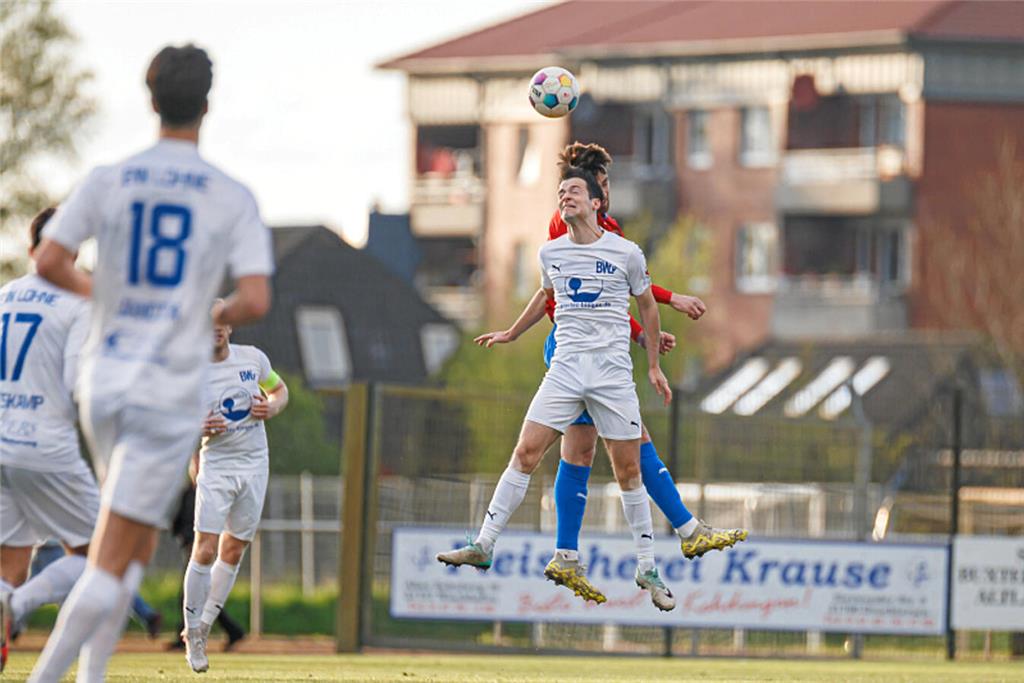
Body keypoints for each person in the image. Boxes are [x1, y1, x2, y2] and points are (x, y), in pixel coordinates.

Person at [28, 43, 273, 682]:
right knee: (114, 561)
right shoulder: (229, 193)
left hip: (101, 384)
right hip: (162, 388)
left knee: (129, 550)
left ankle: (93, 676)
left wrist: (109, 296)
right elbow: (255, 297)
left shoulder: (110, 176)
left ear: (149, 97)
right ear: (208, 105)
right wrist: (195, 312)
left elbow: (49, 261)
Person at [474, 143, 747, 603]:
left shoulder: (607, 234)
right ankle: (681, 532)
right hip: (573, 353)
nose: (606, 189)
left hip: (602, 351)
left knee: (582, 454)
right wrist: (671, 300)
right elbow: (570, 298)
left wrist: (643, 336)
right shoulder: (567, 230)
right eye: (604, 181)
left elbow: (611, 298)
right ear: (596, 187)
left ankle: (571, 553)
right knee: (624, 449)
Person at [438, 167, 677, 611]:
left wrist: (654, 367)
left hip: (611, 376)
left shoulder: (626, 253)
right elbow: (545, 297)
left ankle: (646, 566)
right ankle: (484, 544)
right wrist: (512, 331)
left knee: (629, 472)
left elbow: (646, 304)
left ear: (596, 203)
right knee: (525, 453)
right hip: (564, 371)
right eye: (561, 191)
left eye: (574, 191)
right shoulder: (551, 252)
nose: (565, 196)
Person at [0, 209, 96, 673]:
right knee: (106, 560)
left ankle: (5, 608)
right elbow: (80, 383)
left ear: (30, 246)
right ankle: (15, 609)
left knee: (9, 565)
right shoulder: (77, 303)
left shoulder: (3, 296)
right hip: (44, 445)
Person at [180, 300, 288, 672]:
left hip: (255, 462)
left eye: (223, 322)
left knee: (235, 549)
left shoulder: (253, 359)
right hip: (217, 465)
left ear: (231, 327)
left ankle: (206, 624)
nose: (217, 328)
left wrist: (271, 408)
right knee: (205, 548)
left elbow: (279, 391)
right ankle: (192, 631)